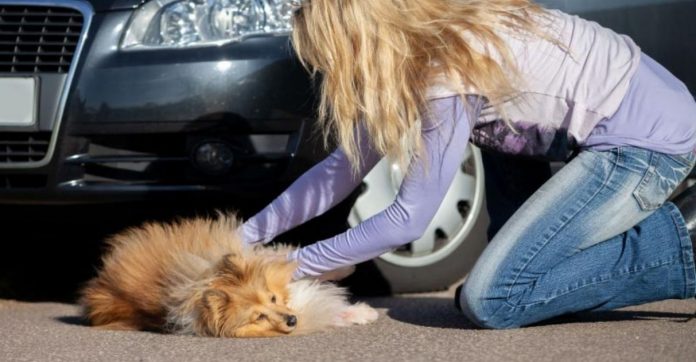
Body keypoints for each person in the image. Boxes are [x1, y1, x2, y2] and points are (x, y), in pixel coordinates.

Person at [241, 0, 696, 329]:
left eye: (331, 59)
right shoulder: (425, 45)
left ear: (361, 41)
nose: (332, 73)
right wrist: (244, 237)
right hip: (615, 126)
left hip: (645, 143)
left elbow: (406, 221)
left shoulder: (444, 71)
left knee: (494, 299)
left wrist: (291, 265)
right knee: (517, 288)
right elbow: (340, 171)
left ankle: (687, 242)